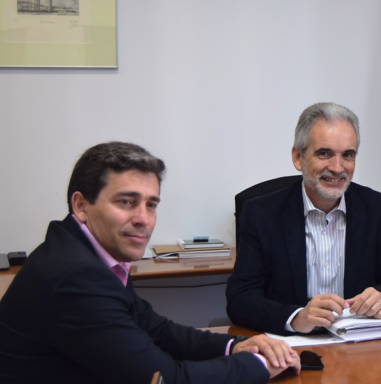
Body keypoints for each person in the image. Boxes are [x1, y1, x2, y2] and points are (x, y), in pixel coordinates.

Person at [0, 142, 300, 384]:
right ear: (81, 205)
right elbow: (165, 379)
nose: (143, 219)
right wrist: (258, 365)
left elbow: (155, 329)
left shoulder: (87, 251)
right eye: (126, 202)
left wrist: (234, 346)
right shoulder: (77, 276)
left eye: (151, 204)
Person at [227, 102, 381, 335]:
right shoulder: (261, 214)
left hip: (361, 351)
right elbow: (241, 299)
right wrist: (295, 317)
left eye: (347, 155)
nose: (337, 168)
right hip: (292, 350)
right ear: (298, 157)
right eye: (324, 153)